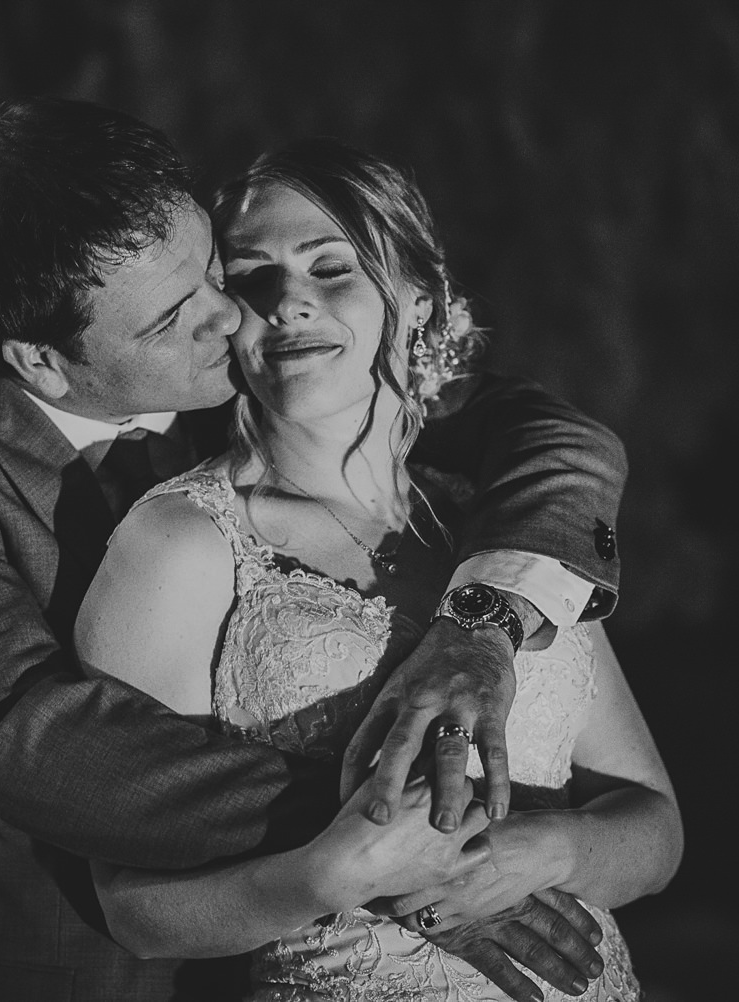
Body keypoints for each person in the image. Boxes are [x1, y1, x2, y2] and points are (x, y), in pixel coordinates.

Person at [0, 97, 629, 1001]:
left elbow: (556, 441)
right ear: (43, 363)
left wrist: (481, 626)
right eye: (173, 317)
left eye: (211, 271)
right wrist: (415, 828)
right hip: (93, 968)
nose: (233, 319)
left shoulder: (259, 370)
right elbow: (25, 738)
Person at [76, 139, 682, 1001]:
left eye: (331, 269)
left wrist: (555, 850)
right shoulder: (179, 544)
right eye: (250, 279)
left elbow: (655, 824)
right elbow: (133, 905)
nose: (288, 302)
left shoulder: (501, 528)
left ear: (419, 299)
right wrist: (330, 875)